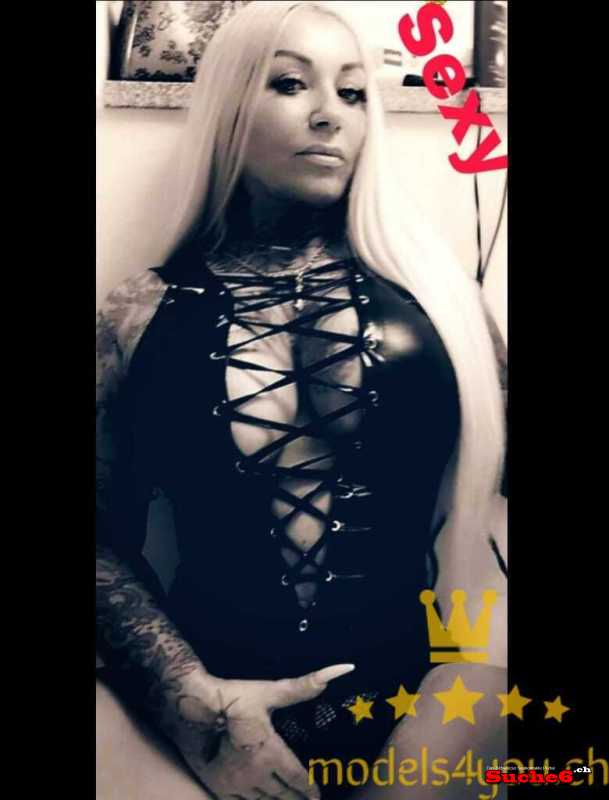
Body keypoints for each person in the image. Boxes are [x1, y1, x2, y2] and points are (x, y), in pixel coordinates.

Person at [96, 2, 508, 799]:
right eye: (290, 84)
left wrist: (475, 670)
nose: (329, 115)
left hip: (417, 695)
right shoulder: (138, 312)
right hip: (207, 695)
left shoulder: (441, 304)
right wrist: (195, 703)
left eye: (353, 93)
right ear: (228, 105)